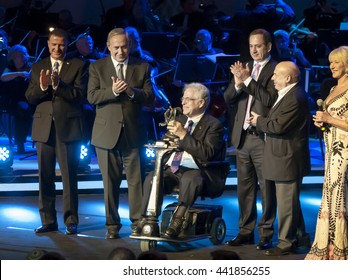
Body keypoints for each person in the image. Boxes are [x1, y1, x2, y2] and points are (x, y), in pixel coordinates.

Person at [132, 82, 226, 239]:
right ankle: (147, 219)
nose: (183, 102)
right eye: (183, 98)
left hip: (200, 170)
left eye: (188, 99)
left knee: (190, 178)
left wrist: (184, 135)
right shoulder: (179, 119)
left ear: (201, 102)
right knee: (152, 178)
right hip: (174, 168)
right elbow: (166, 143)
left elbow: (207, 153)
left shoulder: (214, 125)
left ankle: (177, 221)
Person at [87, 27, 155, 239]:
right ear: (108, 47)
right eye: (116, 47)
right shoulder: (97, 67)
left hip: (133, 134)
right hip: (106, 135)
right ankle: (112, 225)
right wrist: (113, 91)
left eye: (124, 46)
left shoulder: (141, 66)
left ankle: (137, 222)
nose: (120, 51)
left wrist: (130, 91)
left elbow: (150, 97)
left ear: (130, 45)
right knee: (110, 183)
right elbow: (91, 97)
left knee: (136, 182)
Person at [25, 28, 87, 235]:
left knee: (69, 177)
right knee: (45, 177)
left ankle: (71, 221)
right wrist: (43, 88)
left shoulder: (78, 65)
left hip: (68, 128)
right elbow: (30, 97)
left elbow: (80, 96)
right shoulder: (37, 67)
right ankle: (48, 221)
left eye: (61, 44)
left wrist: (58, 85)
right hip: (43, 128)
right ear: (48, 44)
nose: (57, 48)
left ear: (67, 44)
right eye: (53, 44)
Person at [248, 61, 311, 256]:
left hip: (288, 158)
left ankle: (286, 243)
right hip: (280, 156)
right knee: (289, 202)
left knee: (286, 204)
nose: (272, 78)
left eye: (276, 75)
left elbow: (278, 126)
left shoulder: (295, 97)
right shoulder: (287, 94)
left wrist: (259, 121)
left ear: (288, 78)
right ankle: (300, 237)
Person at [305, 46, 348, 260]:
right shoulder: (333, 89)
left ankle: (339, 250)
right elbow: (333, 119)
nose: (332, 66)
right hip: (332, 147)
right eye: (330, 62)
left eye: (336, 62)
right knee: (332, 194)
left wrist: (329, 119)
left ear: (347, 64)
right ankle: (334, 247)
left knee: (337, 193)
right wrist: (323, 122)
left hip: (345, 149)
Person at [223, 28, 277, 248]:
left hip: (262, 137)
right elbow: (227, 98)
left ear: (269, 46)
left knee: (266, 188)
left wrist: (247, 81)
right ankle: (245, 231)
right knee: (244, 189)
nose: (254, 50)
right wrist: (237, 83)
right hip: (242, 137)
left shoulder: (276, 69)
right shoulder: (245, 68)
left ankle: (266, 234)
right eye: (251, 45)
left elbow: (269, 100)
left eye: (259, 45)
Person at [0, 44, 33, 154]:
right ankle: (20, 142)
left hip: (27, 99)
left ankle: (30, 140)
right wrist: (19, 74)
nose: (24, 57)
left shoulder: (30, 67)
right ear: (13, 57)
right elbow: (3, 77)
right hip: (11, 100)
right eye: (20, 55)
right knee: (22, 110)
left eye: (25, 54)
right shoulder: (9, 67)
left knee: (27, 109)